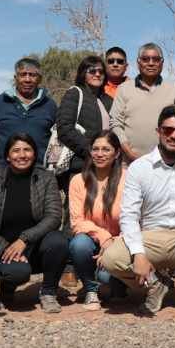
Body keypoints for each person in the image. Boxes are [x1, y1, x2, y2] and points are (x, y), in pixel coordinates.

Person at [100, 106, 175, 316]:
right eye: (168, 130)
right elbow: (129, 215)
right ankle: (155, 285)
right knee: (111, 259)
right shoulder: (140, 168)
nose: (174, 135)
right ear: (158, 131)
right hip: (151, 236)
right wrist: (138, 254)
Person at [0, 134, 68, 313]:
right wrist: (4, 247)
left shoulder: (46, 178)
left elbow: (53, 216)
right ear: (7, 156)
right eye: (16, 150)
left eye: (27, 150)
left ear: (35, 154)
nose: (22, 155)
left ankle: (48, 292)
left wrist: (25, 239)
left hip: (34, 246)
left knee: (58, 241)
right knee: (18, 272)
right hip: (3, 251)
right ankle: (6, 288)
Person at [68, 130, 128, 310]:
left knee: (107, 279)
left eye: (106, 149)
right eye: (95, 149)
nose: (99, 154)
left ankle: (115, 284)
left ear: (117, 153)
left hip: (122, 242)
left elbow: (135, 218)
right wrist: (104, 237)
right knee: (78, 244)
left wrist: (114, 243)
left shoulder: (129, 178)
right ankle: (90, 289)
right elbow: (77, 221)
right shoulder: (78, 180)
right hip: (92, 241)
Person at [109, 43, 175, 163]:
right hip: (128, 163)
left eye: (156, 59)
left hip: (166, 163)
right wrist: (129, 152)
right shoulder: (124, 89)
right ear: (138, 63)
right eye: (145, 59)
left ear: (162, 63)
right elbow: (115, 123)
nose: (151, 63)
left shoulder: (174, 90)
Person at [0, 57, 58, 168]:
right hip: (6, 172)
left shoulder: (49, 105)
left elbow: (57, 138)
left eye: (32, 75)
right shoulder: (0, 102)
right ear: (16, 78)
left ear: (39, 79)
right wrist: (2, 152)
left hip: (40, 173)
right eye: (23, 74)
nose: (27, 79)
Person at [54, 55, 113, 187]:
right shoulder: (75, 93)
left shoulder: (108, 100)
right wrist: (93, 151)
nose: (97, 74)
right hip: (80, 166)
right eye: (92, 71)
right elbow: (64, 129)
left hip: (105, 167)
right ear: (83, 74)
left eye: (101, 71)